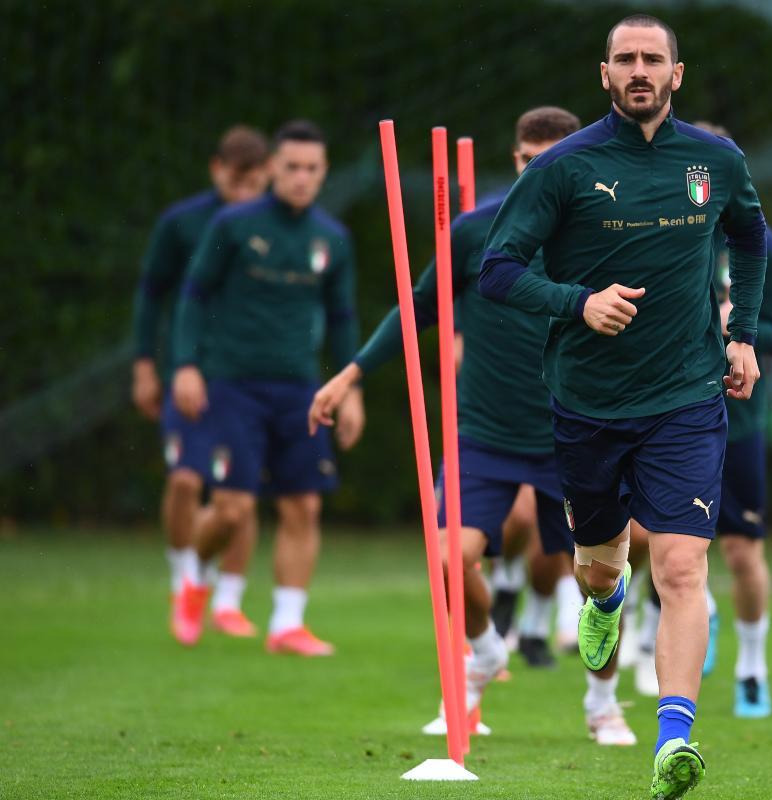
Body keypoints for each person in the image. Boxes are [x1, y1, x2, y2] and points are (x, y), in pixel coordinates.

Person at [479, 15, 766, 799]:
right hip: (588, 403)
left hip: (687, 398)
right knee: (600, 564)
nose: (640, 69)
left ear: (678, 74)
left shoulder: (715, 160)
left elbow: (750, 233)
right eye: (625, 59)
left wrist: (740, 337)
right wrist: (579, 304)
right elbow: (497, 271)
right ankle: (602, 598)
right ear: (604, 74)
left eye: (654, 59)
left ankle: (673, 739)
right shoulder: (564, 167)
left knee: (680, 564)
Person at [310, 106, 637, 745]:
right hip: (483, 433)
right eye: (527, 159)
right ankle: (483, 654)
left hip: (576, 432)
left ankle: (603, 702)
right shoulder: (475, 230)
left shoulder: (607, 234)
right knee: (447, 560)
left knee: (600, 580)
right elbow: (419, 308)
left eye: (554, 160)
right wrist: (350, 375)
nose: (538, 171)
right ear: (513, 159)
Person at [172, 119, 363, 657]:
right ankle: (193, 578)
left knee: (303, 506)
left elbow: (343, 318)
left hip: (301, 387)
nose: (301, 177)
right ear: (273, 168)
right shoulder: (233, 224)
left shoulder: (333, 238)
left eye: (312, 169)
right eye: (291, 167)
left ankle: (286, 624)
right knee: (232, 508)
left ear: (323, 173)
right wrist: (186, 364)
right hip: (233, 384)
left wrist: (352, 389)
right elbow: (193, 296)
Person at [634, 121, 772, 719]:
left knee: (743, 553)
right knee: (652, 538)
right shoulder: (661, 232)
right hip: (667, 412)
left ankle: (753, 665)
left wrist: (738, 327)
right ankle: (680, 616)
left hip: (738, 421)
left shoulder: (758, 244)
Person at [131, 125, 270, 645]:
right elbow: (152, 295)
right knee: (187, 480)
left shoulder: (275, 226)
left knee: (240, 493)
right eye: (236, 181)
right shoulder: (183, 223)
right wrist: (146, 365)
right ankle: (182, 577)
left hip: (247, 377)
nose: (244, 192)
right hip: (189, 372)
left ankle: (228, 600)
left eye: (253, 182)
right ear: (217, 171)